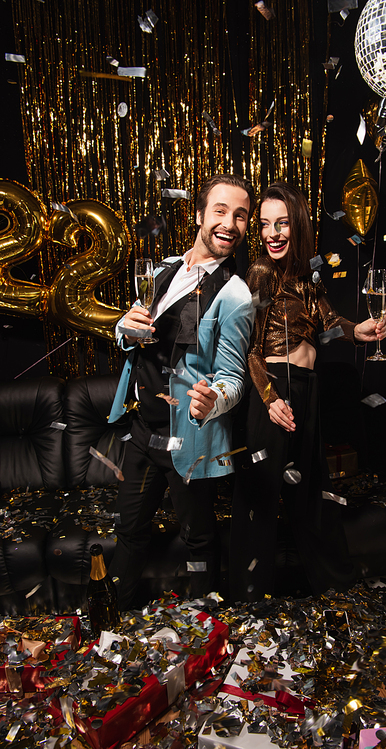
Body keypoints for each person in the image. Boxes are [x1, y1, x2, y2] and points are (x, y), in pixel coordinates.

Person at [229, 181, 386, 603]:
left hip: (305, 389)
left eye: (281, 223)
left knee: (311, 494)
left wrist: (362, 331)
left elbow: (330, 323)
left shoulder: (306, 275)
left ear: (297, 224)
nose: (272, 233)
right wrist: (269, 398)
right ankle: (249, 603)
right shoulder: (260, 272)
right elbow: (249, 351)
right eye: (264, 225)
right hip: (274, 391)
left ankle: (335, 589)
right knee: (260, 501)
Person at [108, 173, 256, 610]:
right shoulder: (161, 271)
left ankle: (202, 625)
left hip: (188, 438)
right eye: (221, 210)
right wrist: (122, 329)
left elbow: (233, 379)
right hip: (141, 431)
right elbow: (133, 331)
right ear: (198, 215)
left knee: (199, 538)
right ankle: (114, 618)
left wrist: (214, 403)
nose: (231, 223)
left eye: (241, 216)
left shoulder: (235, 295)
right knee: (130, 532)